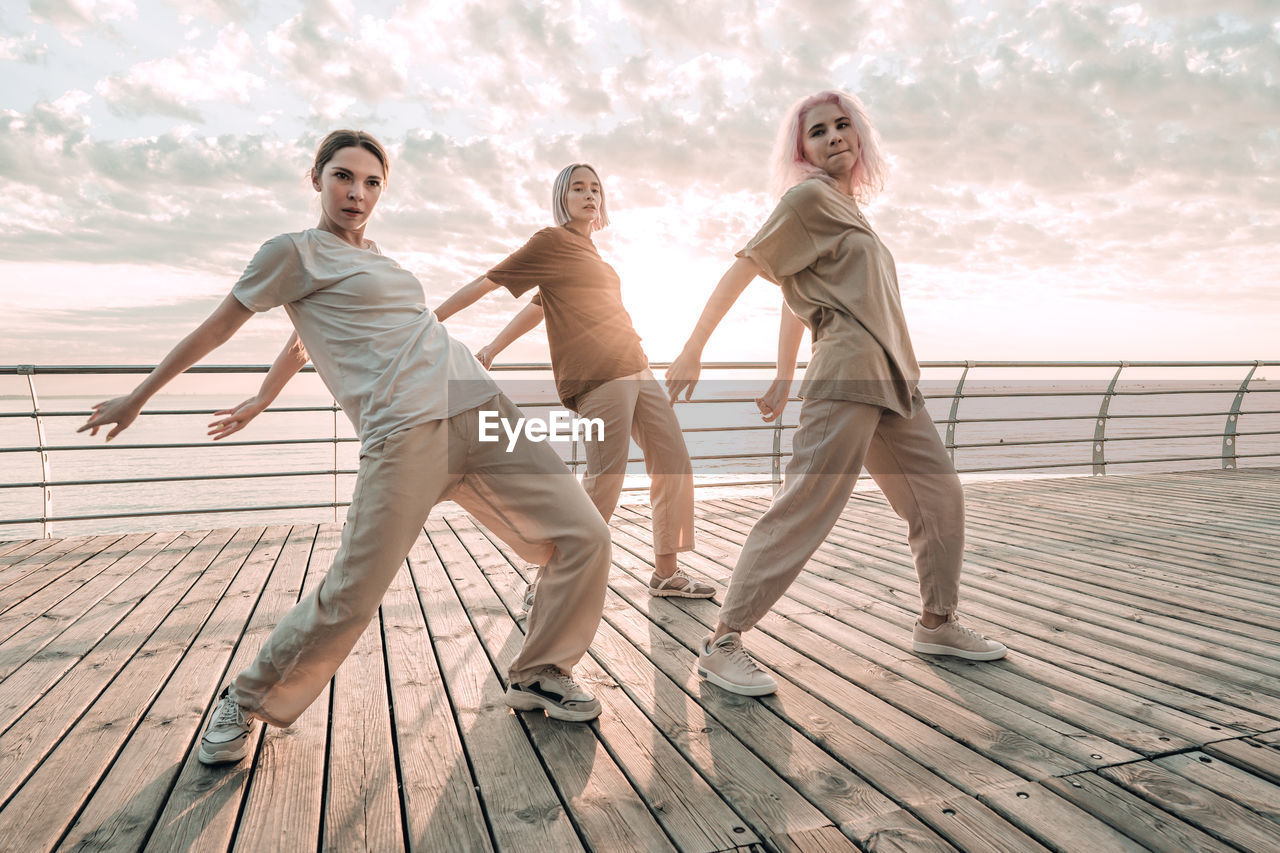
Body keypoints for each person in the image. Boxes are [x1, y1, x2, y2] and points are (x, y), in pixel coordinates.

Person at [79, 130, 613, 765]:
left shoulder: (380, 261)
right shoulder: (292, 254)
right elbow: (219, 327)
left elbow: (307, 341)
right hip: (403, 434)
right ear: (317, 178)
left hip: (478, 402)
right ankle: (245, 699)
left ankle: (541, 671)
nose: (356, 193)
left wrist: (262, 397)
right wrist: (143, 396)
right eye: (343, 177)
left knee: (586, 534)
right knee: (352, 593)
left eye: (371, 182)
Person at [665, 91, 1007, 697]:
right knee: (807, 504)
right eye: (817, 131)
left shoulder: (849, 210)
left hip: (895, 379)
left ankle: (938, 623)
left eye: (843, 125)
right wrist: (694, 348)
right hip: (847, 374)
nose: (834, 137)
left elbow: (795, 296)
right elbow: (748, 268)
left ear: (861, 136)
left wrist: (782, 374)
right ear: (802, 150)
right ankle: (723, 640)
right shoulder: (806, 198)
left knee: (938, 496)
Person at [432, 163, 710, 607]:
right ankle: (552, 575)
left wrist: (494, 344)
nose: (589, 195)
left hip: (637, 365)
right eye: (578, 188)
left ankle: (666, 573)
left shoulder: (590, 254)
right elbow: (488, 283)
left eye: (596, 188)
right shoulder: (551, 241)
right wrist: (432, 321)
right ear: (562, 196)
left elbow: (541, 304)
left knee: (674, 462)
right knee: (606, 480)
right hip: (599, 373)